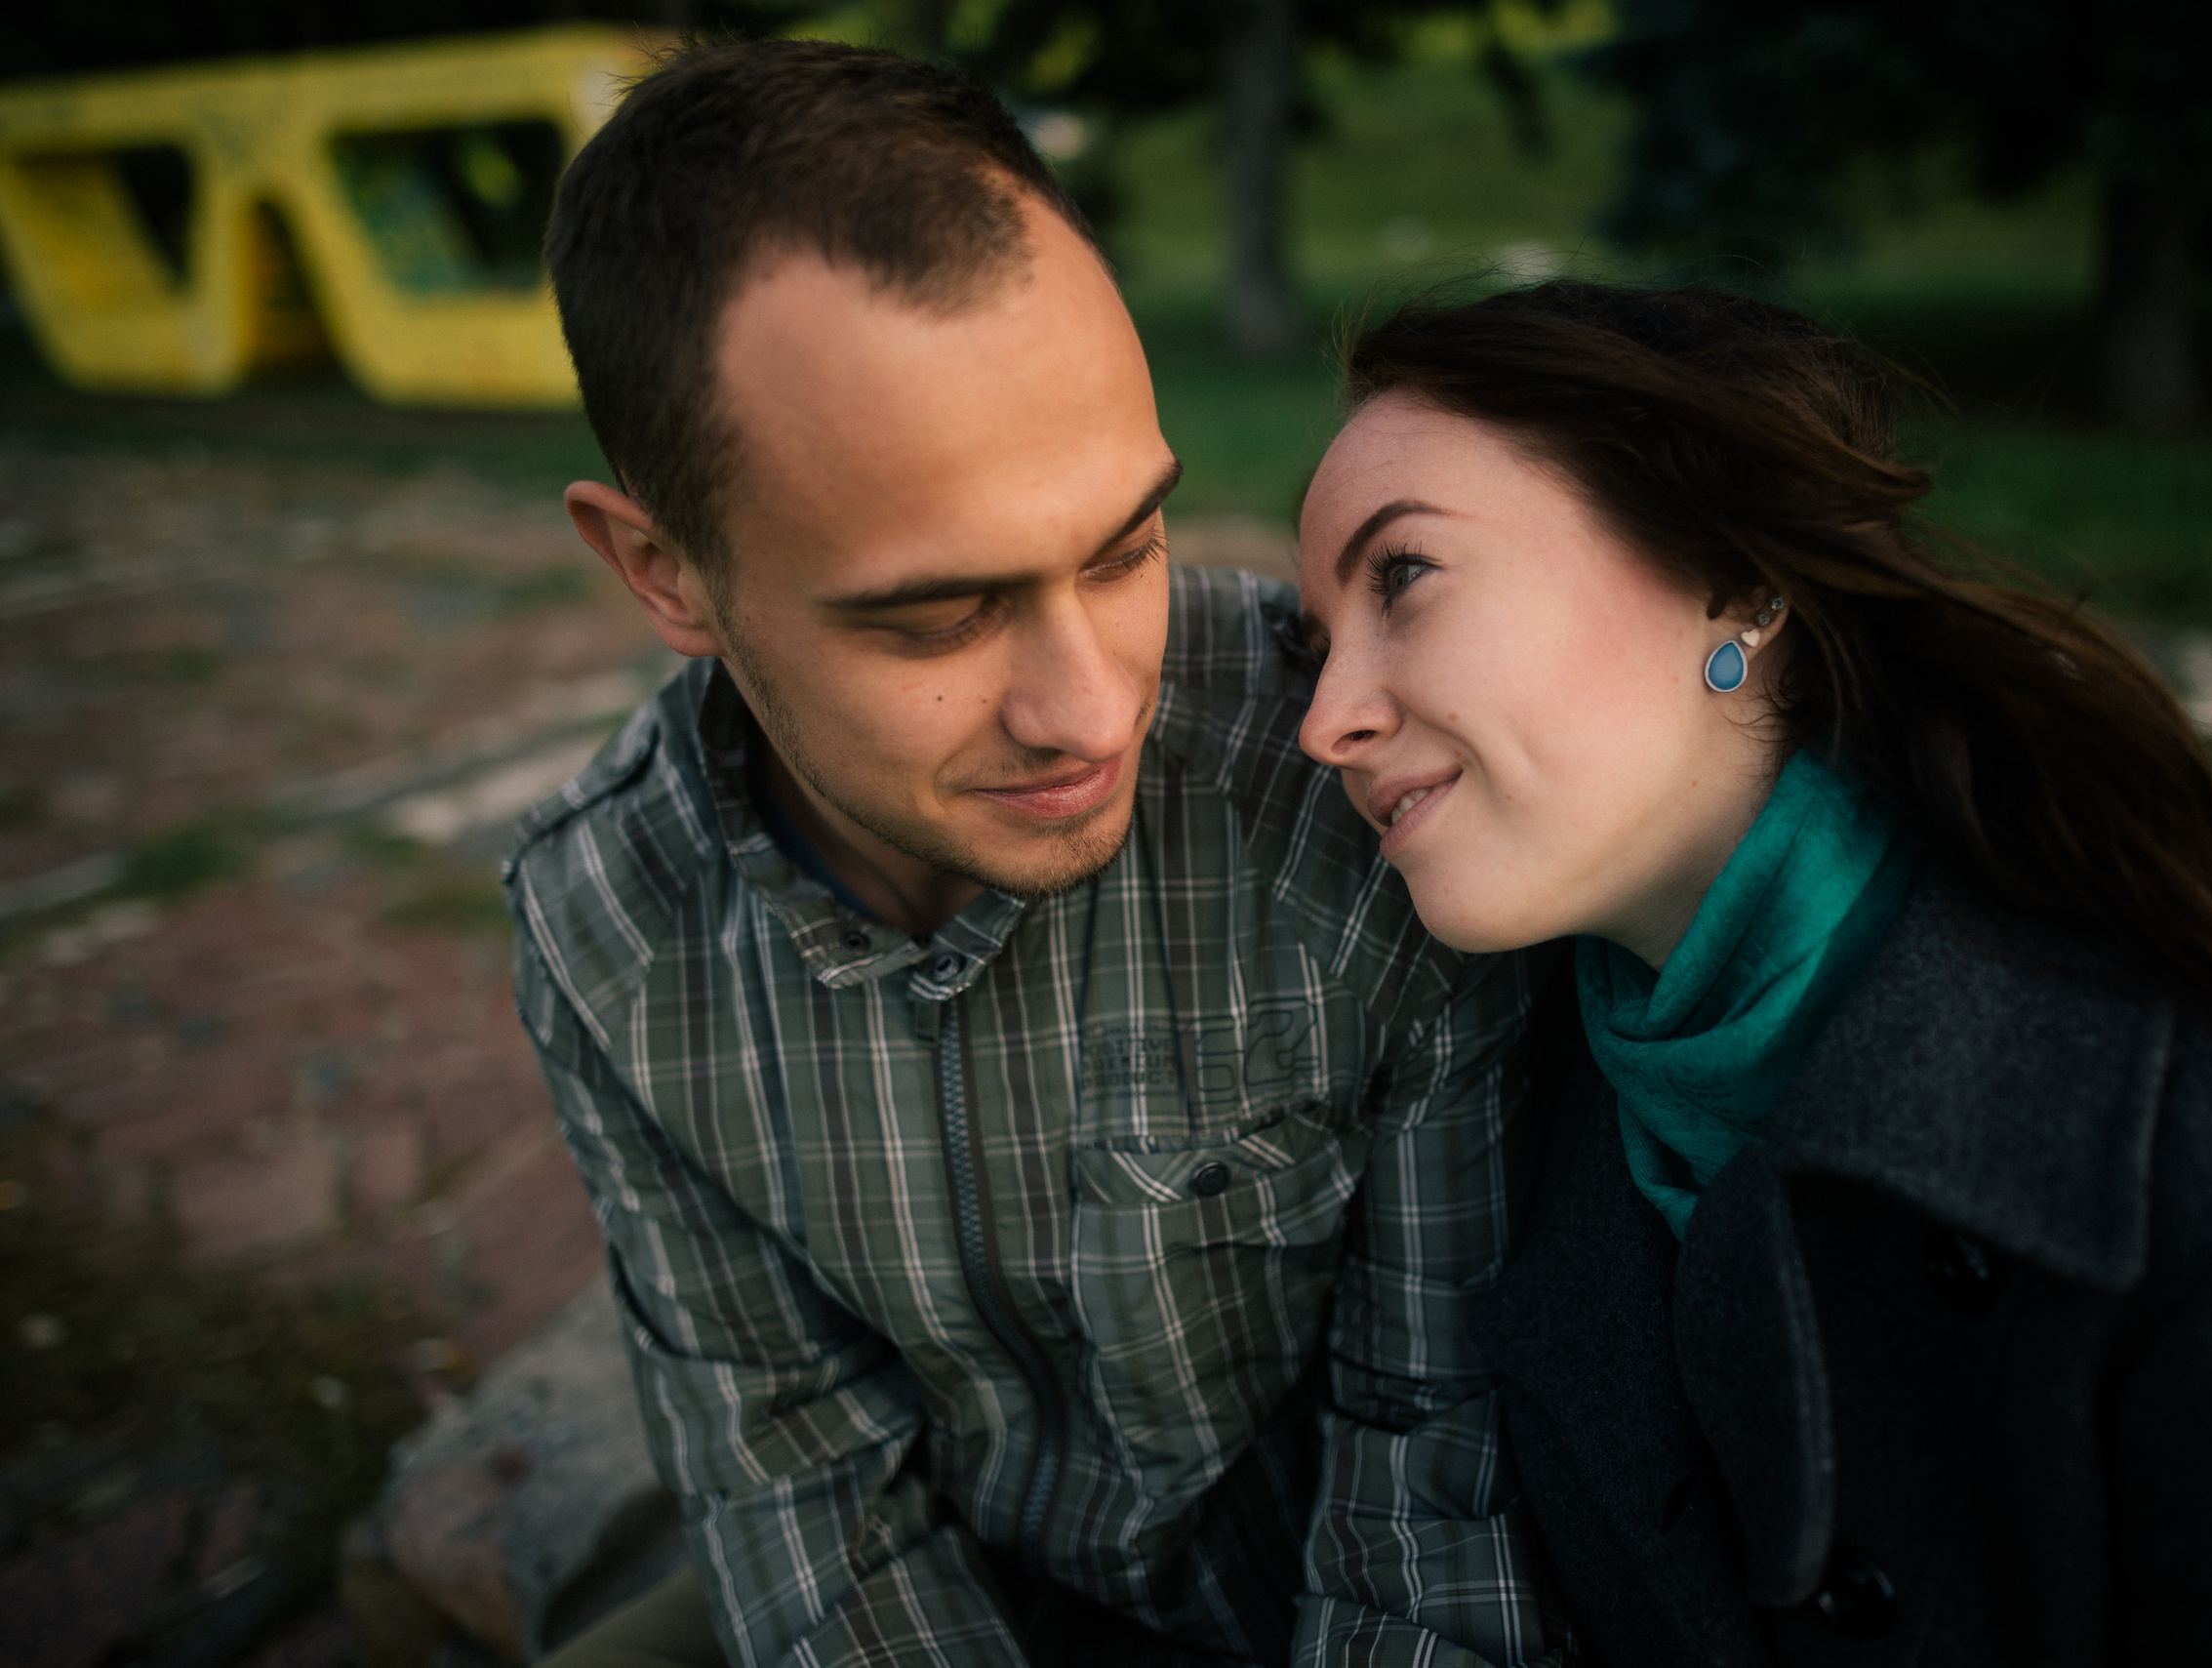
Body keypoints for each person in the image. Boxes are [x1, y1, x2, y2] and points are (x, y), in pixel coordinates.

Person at [510, 41, 1563, 1668]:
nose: (1090, 709)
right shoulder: (605, 935)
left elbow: (1441, 1446)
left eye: (1126, 545)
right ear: (666, 573)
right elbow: (799, 1485)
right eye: (937, 612)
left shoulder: (1349, 787)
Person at [1292, 279, 2212, 1666]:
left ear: (1736, 580)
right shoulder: (1504, 1124)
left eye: (1405, 578)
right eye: (1321, 643)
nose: (1329, 718)